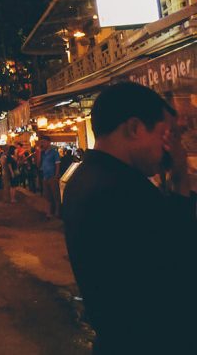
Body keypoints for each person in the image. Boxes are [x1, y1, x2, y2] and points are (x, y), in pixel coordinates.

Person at [63, 83, 196, 354]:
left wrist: (179, 178)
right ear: (134, 128)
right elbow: (181, 262)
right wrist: (181, 176)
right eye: (165, 135)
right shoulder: (121, 190)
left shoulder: (86, 177)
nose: (169, 149)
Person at [38, 136, 61, 218]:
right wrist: (40, 153)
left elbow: (57, 164)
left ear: (48, 142)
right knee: (46, 195)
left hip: (52, 176)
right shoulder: (43, 153)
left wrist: (56, 175)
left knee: (55, 194)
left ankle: (57, 211)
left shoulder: (54, 152)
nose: (42, 144)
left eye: (43, 142)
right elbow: (39, 164)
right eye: (41, 142)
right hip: (45, 176)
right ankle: (49, 212)